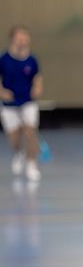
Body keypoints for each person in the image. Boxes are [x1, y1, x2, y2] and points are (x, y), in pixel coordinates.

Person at [1, 26, 43, 183]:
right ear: (12, 39)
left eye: (25, 37)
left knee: (31, 132)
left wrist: (37, 88)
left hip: (28, 102)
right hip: (9, 104)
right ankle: (19, 153)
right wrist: (2, 92)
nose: (22, 40)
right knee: (14, 138)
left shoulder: (32, 60)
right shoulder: (4, 59)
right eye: (19, 37)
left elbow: (37, 77)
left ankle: (32, 164)